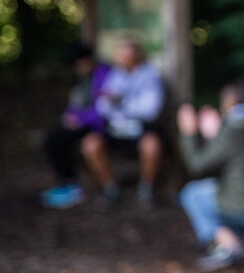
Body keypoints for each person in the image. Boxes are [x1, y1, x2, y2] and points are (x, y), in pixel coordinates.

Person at [177, 80, 244, 271]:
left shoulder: (232, 131)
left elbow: (198, 165)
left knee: (192, 193)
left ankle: (228, 244)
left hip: (242, 207)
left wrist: (190, 133)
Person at [81, 36, 166, 207]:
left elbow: (150, 110)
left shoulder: (150, 76)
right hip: (114, 130)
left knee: (152, 146)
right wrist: (117, 104)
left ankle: (146, 190)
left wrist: (120, 103)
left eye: (123, 56)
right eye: (118, 55)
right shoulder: (116, 75)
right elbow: (102, 107)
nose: (118, 59)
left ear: (135, 56)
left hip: (140, 130)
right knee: (90, 145)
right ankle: (110, 189)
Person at [40, 41, 113, 209]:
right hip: (85, 122)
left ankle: (71, 186)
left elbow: (104, 108)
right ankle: (67, 183)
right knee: (54, 138)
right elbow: (76, 103)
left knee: (59, 139)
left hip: (99, 125)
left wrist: (80, 120)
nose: (78, 67)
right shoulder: (83, 78)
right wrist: (70, 116)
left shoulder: (104, 74)